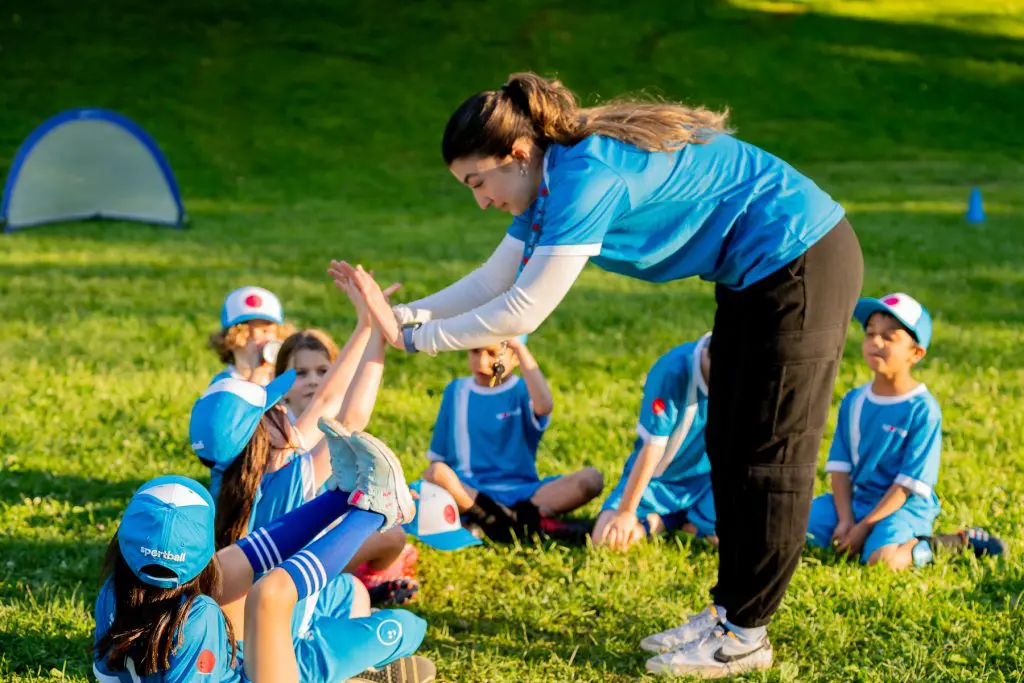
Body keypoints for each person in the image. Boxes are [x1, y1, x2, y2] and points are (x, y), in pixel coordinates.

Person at [332, 70, 864, 677]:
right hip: (755, 273)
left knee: (769, 453)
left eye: (479, 183)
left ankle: (745, 634)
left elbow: (525, 306)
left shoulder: (585, 178)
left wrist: (413, 339)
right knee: (729, 440)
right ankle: (730, 616)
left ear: (518, 153)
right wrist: (397, 317)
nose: (480, 200)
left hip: (801, 257)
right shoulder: (550, 179)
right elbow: (493, 279)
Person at [92, 428, 434, 683]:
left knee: (230, 566)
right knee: (272, 594)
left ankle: (342, 497)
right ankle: (377, 512)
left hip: (228, 662)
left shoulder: (114, 590)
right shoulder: (197, 616)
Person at [805, 292, 1005, 570]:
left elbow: (907, 486)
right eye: (870, 333)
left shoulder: (923, 410)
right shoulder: (853, 401)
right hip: (858, 501)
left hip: (903, 506)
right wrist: (845, 520)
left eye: (889, 337)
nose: (876, 342)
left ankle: (948, 543)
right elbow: (840, 469)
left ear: (916, 353)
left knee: (882, 561)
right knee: (789, 529)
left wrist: (863, 528)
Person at [422, 336, 602, 542]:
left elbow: (545, 406)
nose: (481, 362)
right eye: (474, 351)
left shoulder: (523, 391)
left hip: (524, 493)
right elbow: (437, 458)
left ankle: (491, 522)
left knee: (591, 479)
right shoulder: (456, 391)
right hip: (470, 490)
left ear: (516, 357)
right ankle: (525, 522)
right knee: (436, 474)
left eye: (492, 354)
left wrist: (517, 345)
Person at [593, 334, 716, 552]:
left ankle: (687, 521)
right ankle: (669, 521)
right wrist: (626, 512)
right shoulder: (674, 371)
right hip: (659, 483)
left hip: (707, 483)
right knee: (605, 541)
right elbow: (653, 447)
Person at [208, 287, 296, 387]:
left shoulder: (286, 379)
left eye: (265, 331)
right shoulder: (223, 385)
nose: (257, 337)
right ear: (228, 340)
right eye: (247, 331)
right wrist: (254, 382)